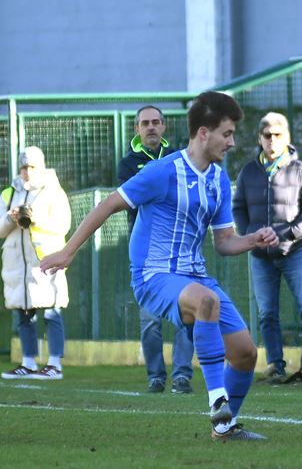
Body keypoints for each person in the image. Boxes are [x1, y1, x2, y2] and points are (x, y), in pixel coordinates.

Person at [41, 91, 279, 441]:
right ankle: (218, 405)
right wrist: (68, 251)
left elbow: (224, 241)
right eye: (227, 134)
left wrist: (252, 239)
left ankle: (225, 429)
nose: (232, 142)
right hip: (153, 277)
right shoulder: (162, 172)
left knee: (245, 354)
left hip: (194, 276)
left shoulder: (217, 181)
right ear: (203, 133)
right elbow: (109, 204)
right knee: (206, 302)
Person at [232, 112, 302, 383]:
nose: (272, 141)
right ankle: (275, 365)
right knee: (267, 313)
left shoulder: (300, 170)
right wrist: (251, 234)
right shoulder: (248, 171)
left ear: (287, 138)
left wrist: (287, 233)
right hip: (260, 256)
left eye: (277, 135)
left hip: (294, 251)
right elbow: (238, 208)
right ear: (260, 138)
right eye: (267, 136)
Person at [118, 105, 194, 394]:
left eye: (155, 122)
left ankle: (182, 375)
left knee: (185, 315)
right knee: (150, 320)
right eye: (144, 123)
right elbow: (135, 198)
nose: (150, 127)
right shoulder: (128, 164)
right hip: (147, 254)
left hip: (179, 248)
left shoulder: (179, 158)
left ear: (163, 127)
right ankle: (156, 376)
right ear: (137, 129)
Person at [1, 147, 70, 381]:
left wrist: (34, 217)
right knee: (24, 314)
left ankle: (54, 364)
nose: (27, 172)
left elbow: (64, 224)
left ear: (40, 167)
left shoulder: (53, 191)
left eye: (31, 167)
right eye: (23, 167)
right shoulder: (9, 193)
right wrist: (10, 218)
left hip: (45, 262)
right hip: (17, 266)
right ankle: (28, 362)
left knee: (52, 311)